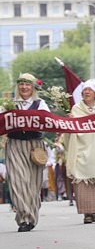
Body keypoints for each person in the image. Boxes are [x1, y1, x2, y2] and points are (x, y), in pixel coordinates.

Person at [4, 73, 53, 232]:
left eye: (27, 84)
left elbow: (48, 121)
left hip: (35, 146)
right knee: (17, 182)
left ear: (33, 87)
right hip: (15, 144)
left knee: (32, 184)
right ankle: (24, 218)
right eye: (21, 84)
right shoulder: (10, 104)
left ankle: (31, 215)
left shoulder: (40, 104)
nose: (24, 87)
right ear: (18, 87)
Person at [61, 80, 95, 224]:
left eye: (90, 90)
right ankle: (87, 213)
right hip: (80, 150)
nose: (86, 92)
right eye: (84, 90)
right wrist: (69, 122)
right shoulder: (76, 109)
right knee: (82, 180)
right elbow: (69, 132)